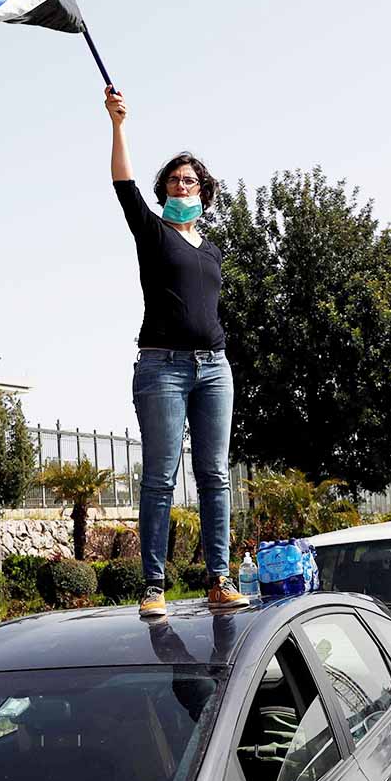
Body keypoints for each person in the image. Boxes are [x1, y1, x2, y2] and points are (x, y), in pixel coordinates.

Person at [106, 86, 248, 618]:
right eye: (173, 179)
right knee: (161, 477)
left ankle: (219, 578)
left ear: (203, 192)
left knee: (215, 476)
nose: (181, 184)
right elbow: (123, 185)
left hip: (215, 369)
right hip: (161, 368)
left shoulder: (212, 249)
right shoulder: (153, 232)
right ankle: (153, 586)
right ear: (164, 189)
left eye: (189, 180)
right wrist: (118, 124)